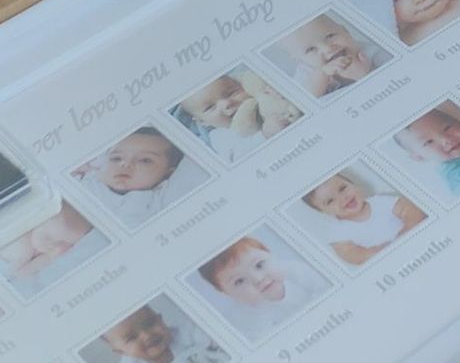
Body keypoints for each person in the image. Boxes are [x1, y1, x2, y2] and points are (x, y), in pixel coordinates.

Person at [194, 234, 328, 342]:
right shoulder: (246, 319)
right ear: (225, 292)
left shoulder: (296, 271)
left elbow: (324, 287)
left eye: (259, 265)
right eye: (240, 281)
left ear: (270, 254)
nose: (258, 279)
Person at [303, 168, 425, 265]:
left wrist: (405, 234)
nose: (343, 198)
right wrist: (381, 252)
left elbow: (413, 212)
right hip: (389, 262)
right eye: (330, 201)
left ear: (353, 184)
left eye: (342, 188)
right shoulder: (337, 232)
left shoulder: (381, 202)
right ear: (324, 211)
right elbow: (353, 256)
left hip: (416, 242)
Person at [172, 71, 301, 160]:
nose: (227, 103)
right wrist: (264, 135)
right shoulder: (219, 137)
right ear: (202, 121)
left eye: (231, 93)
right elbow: (238, 157)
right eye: (210, 107)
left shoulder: (259, 103)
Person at [74, 127, 189, 224]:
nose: (126, 164)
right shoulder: (87, 182)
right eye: (116, 158)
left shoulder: (155, 200)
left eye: (145, 160)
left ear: (168, 173)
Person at [278, 13, 387, 98]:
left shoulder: (372, 52)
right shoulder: (306, 72)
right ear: (298, 60)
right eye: (311, 49)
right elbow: (305, 100)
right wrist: (323, 74)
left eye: (330, 36)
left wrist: (363, 75)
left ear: (345, 31)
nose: (328, 48)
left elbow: (388, 83)